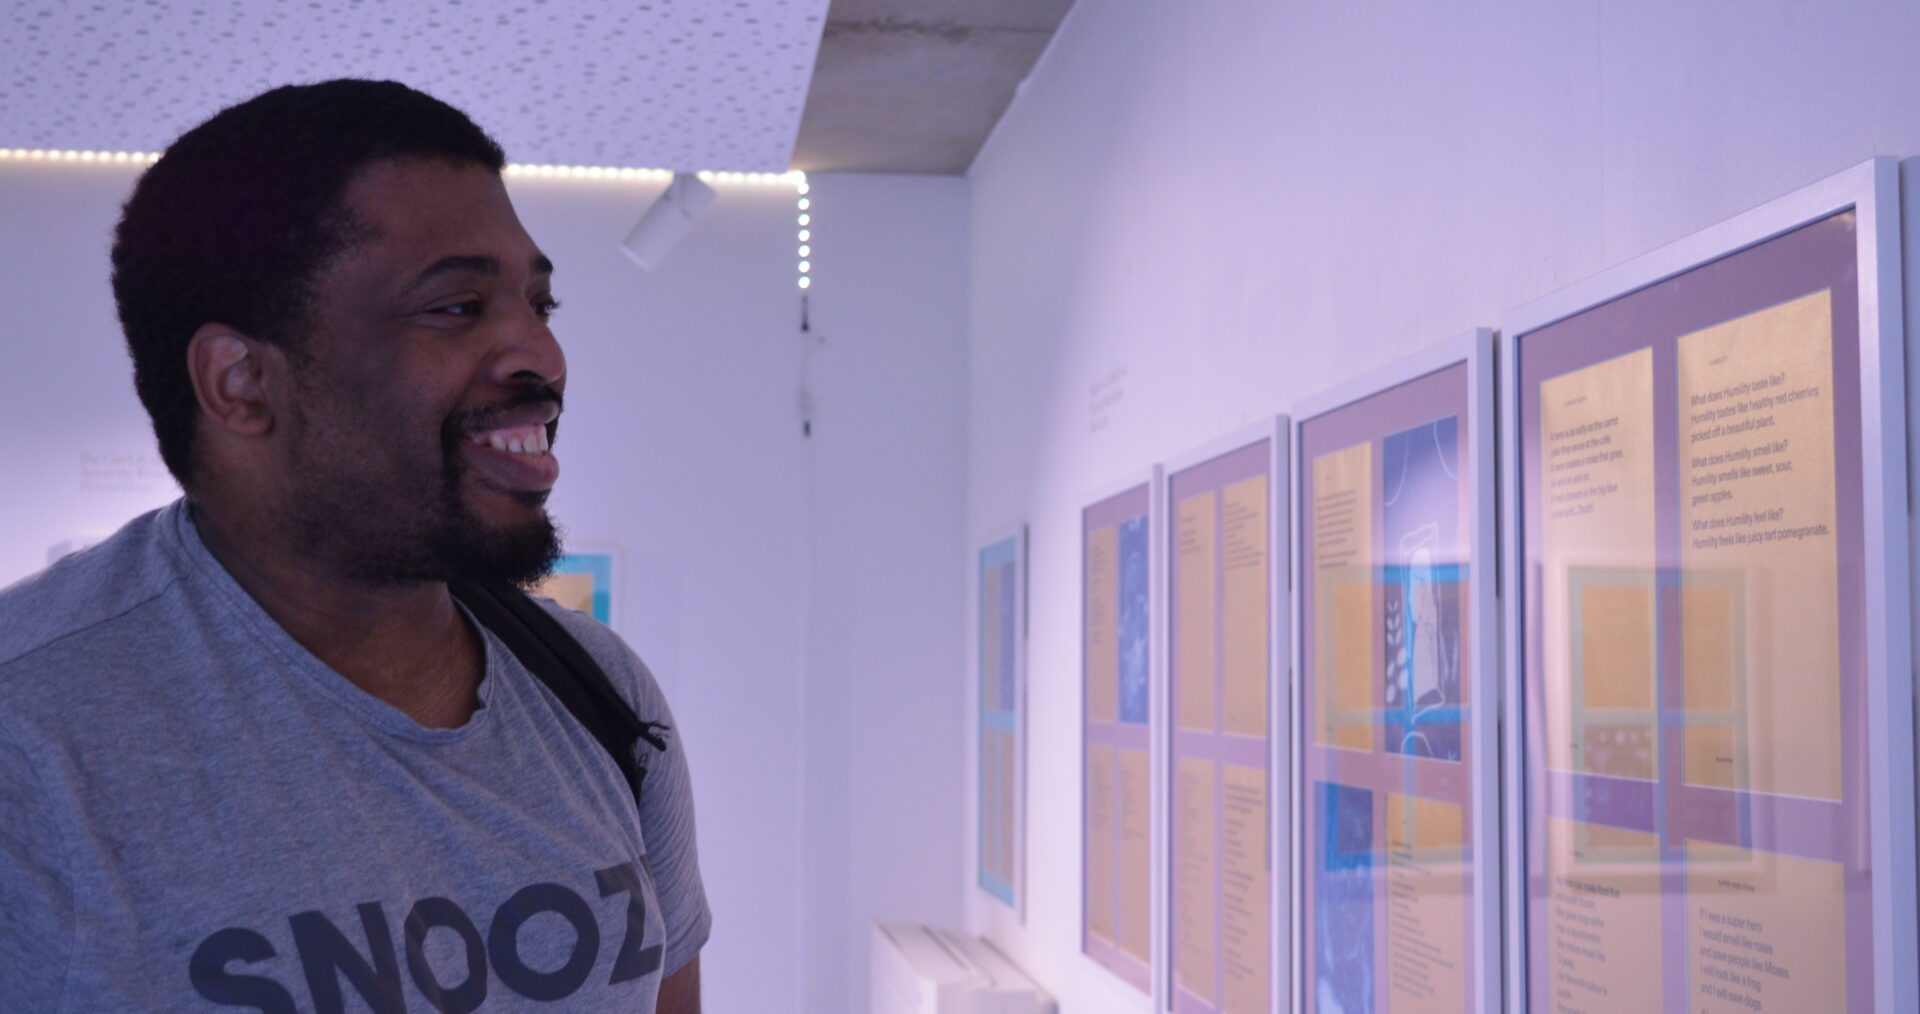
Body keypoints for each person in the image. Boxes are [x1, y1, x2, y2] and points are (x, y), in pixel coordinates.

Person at [0, 80, 709, 1012]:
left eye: (540, 303)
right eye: (457, 306)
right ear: (242, 382)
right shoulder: (31, 736)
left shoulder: (602, 691)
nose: (539, 354)